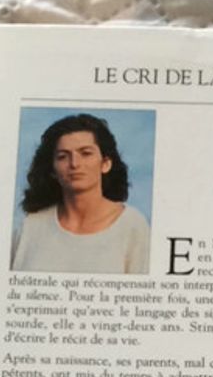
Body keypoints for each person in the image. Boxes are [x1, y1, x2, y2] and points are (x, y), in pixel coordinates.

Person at [12, 113, 150, 273]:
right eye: (63, 156)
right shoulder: (30, 227)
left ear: (105, 163)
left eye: (86, 153)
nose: (74, 164)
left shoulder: (133, 226)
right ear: (53, 170)